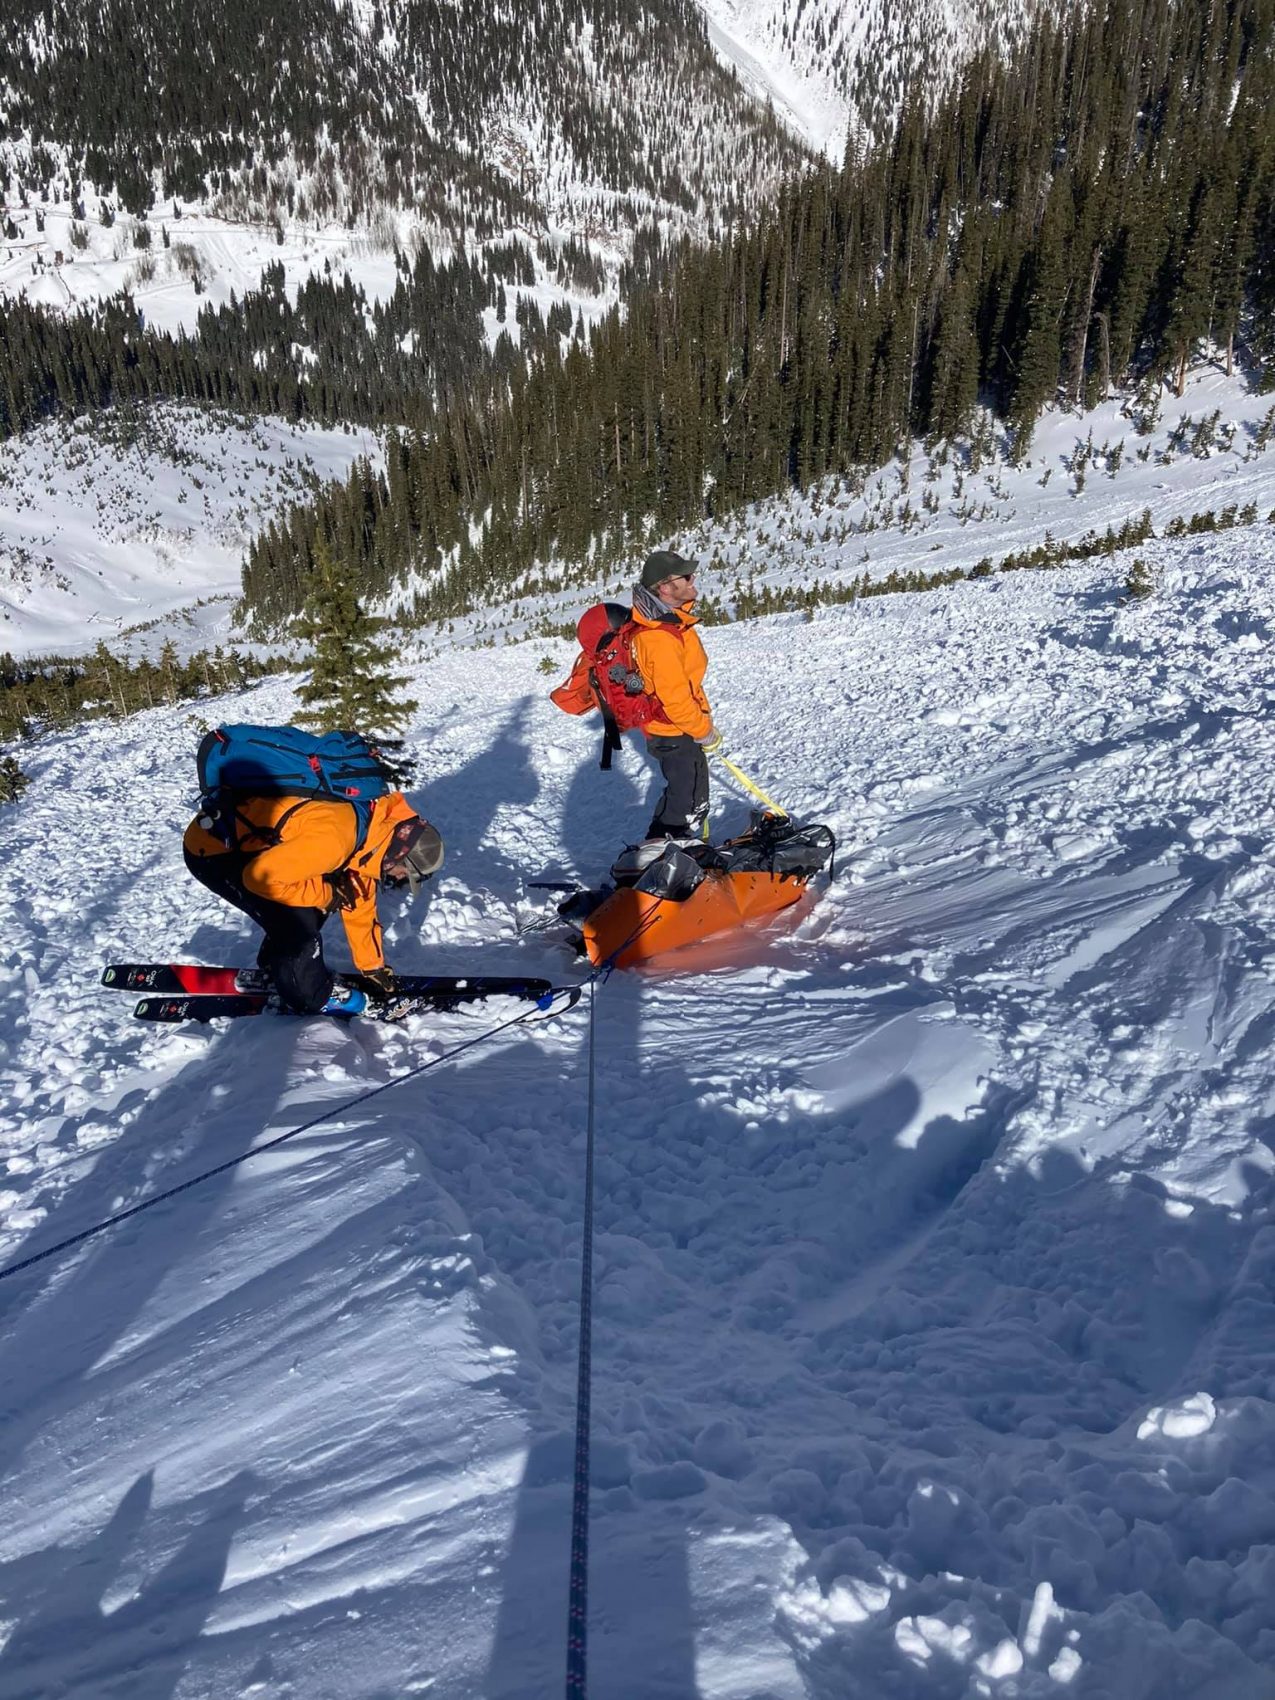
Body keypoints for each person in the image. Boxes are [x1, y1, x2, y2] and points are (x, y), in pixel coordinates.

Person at [183, 788, 443, 1015]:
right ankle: (310, 998)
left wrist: (371, 967)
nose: (397, 878)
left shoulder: (374, 834)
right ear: (400, 855)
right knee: (300, 930)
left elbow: (358, 901)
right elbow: (258, 879)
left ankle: (281, 968)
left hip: (260, 851)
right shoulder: (336, 841)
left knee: (312, 906)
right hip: (216, 852)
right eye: (403, 873)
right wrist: (328, 894)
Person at [630, 548, 720, 841]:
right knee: (684, 804)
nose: (693, 579)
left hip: (676, 729)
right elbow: (676, 700)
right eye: (686, 576)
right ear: (666, 588)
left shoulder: (671, 621)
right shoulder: (658, 637)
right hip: (673, 730)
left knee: (688, 797)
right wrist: (703, 730)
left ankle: (677, 856)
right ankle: (657, 863)